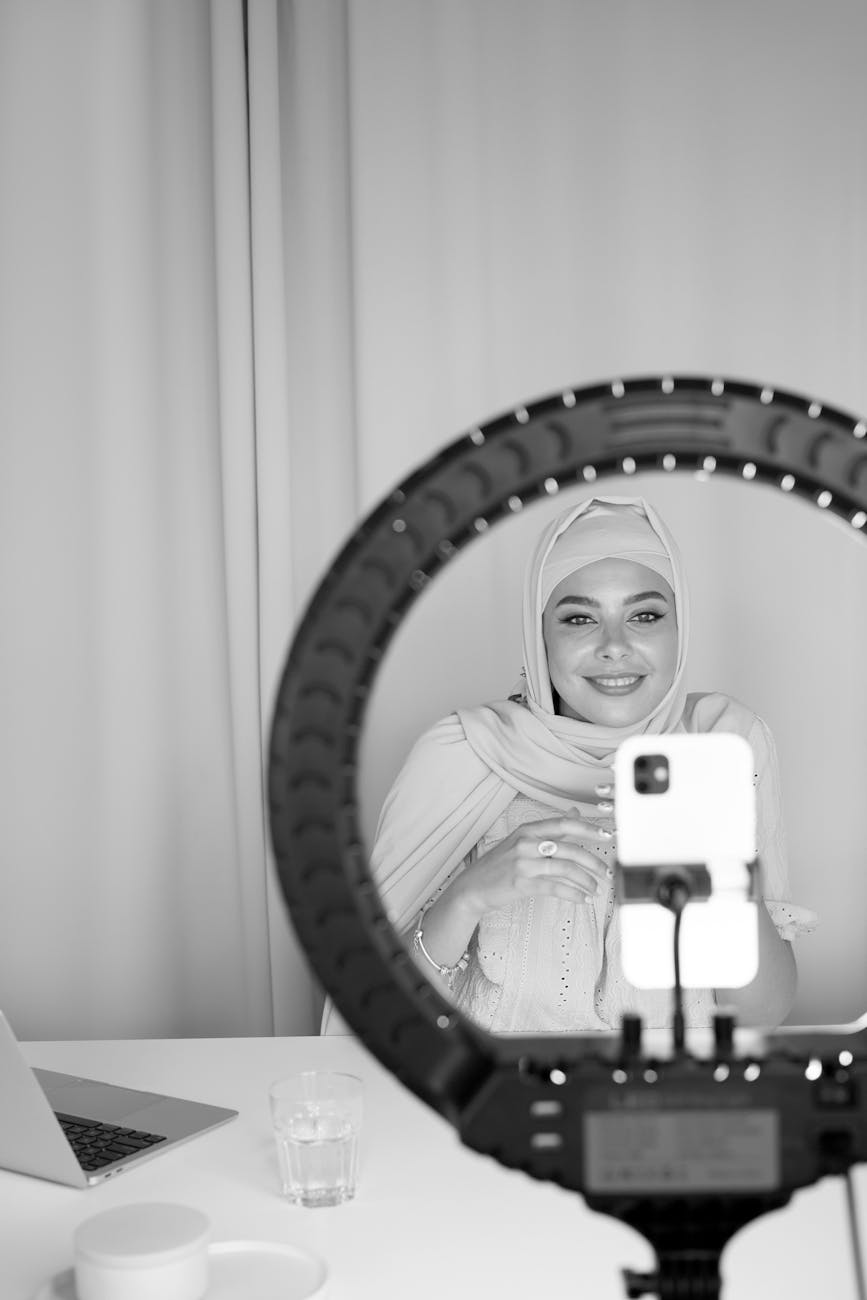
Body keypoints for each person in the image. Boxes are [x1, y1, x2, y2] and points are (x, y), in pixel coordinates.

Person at [322, 496, 816, 1035]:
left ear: (680, 628)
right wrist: (468, 899)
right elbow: (380, 1019)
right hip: (501, 1097)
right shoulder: (466, 751)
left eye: (645, 615)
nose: (614, 647)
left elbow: (761, 1014)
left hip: (672, 1102)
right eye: (579, 618)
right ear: (541, 638)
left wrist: (720, 873)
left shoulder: (725, 741)